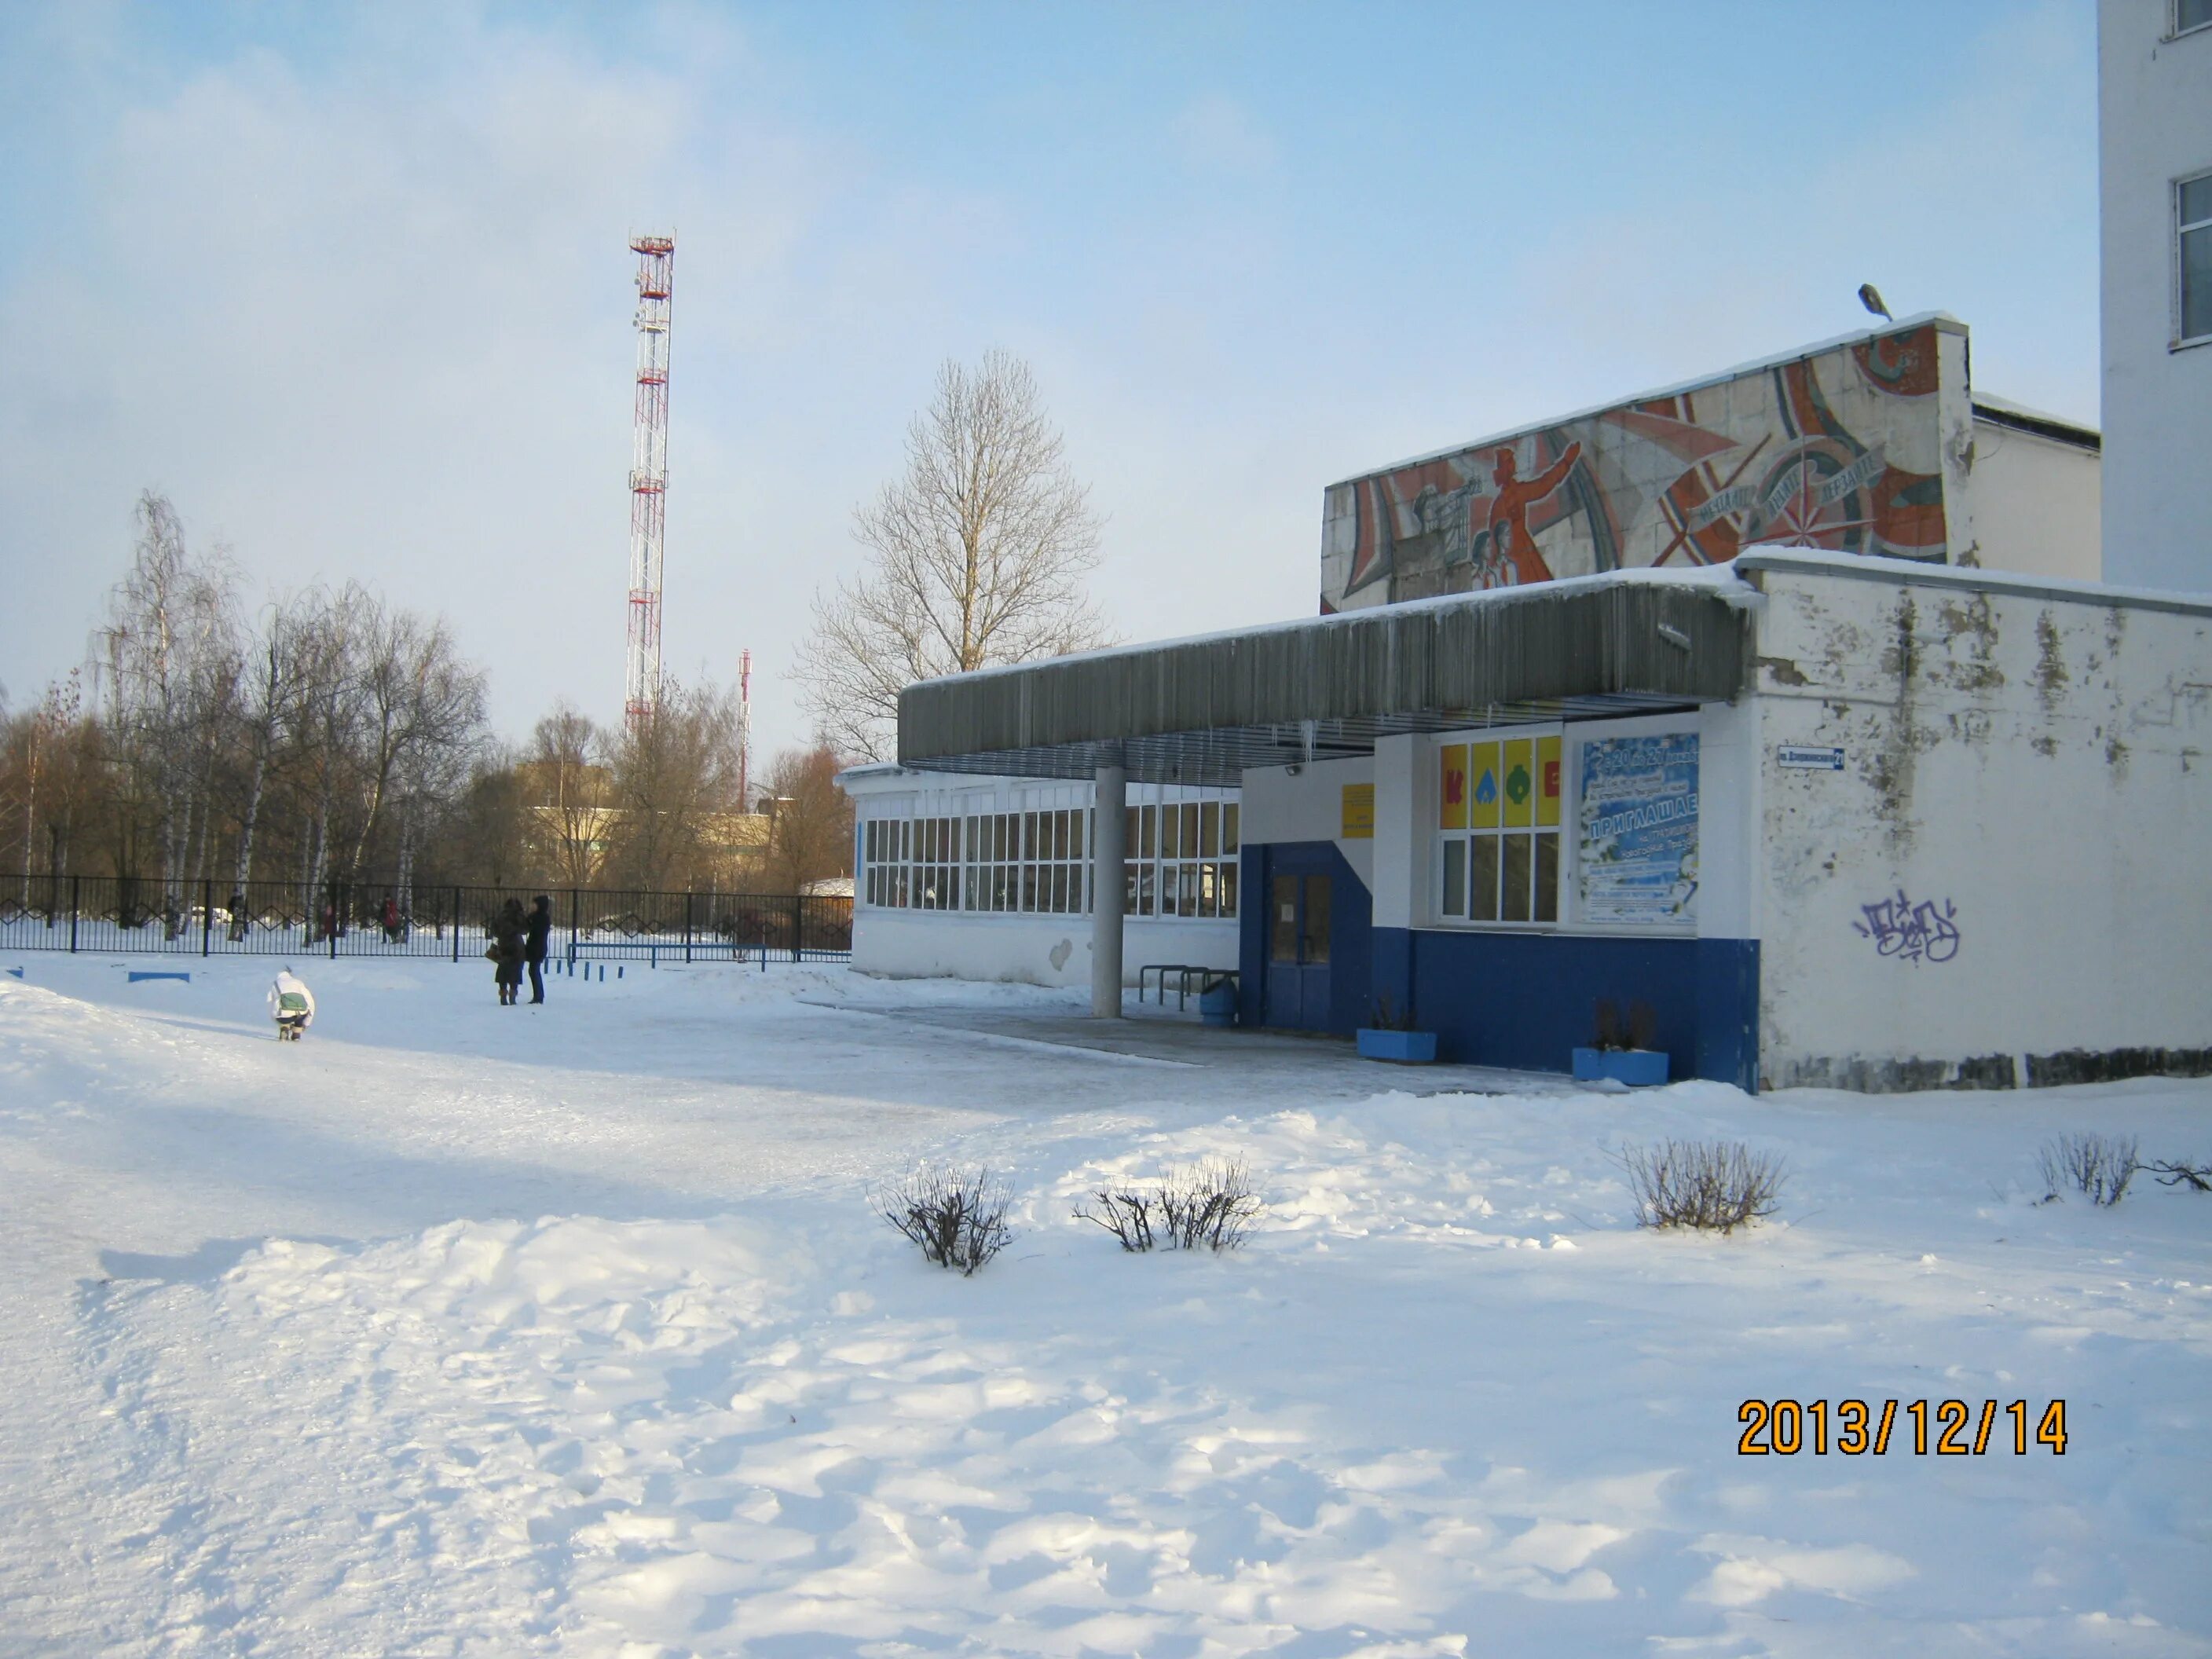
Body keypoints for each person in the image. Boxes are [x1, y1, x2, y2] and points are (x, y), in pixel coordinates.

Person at [491, 898, 527, 1006]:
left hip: (504, 945)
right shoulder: (519, 916)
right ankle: (513, 994)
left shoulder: (501, 916)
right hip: (517, 946)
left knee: (503, 970)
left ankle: (503, 994)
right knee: (515, 972)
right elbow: (525, 930)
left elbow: (494, 930)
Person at [269, 965, 316, 1041]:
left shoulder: (276, 984)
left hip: (284, 1013)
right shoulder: (298, 983)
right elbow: (310, 1002)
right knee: (301, 1013)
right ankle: (297, 1033)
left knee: (283, 1013)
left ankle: (284, 1027)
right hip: (300, 1013)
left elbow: (270, 1001)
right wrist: (306, 1023)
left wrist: (275, 1017)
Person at [524, 894, 552, 1005]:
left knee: (534, 971)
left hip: (537, 948)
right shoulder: (536, 917)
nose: (532, 906)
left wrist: (530, 920)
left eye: (534, 904)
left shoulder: (541, 918)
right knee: (533, 971)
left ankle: (539, 996)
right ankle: (538, 995)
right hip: (536, 947)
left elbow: (535, 931)